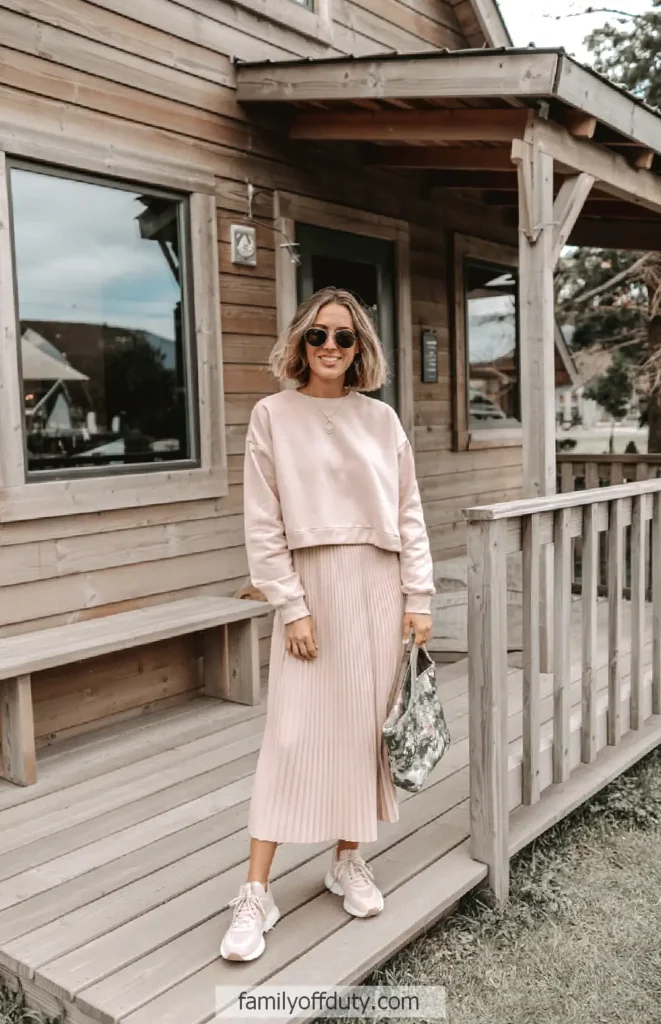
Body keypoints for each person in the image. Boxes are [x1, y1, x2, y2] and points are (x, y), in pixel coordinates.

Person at [220, 286, 435, 962]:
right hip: (310, 586)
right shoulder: (270, 416)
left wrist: (419, 596)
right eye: (319, 336)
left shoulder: (381, 420)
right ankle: (255, 891)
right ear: (299, 343)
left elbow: (408, 512)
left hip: (378, 584)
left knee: (363, 730)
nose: (331, 348)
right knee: (290, 736)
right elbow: (261, 521)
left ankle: (348, 858)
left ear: (360, 347)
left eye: (344, 337)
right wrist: (291, 605)